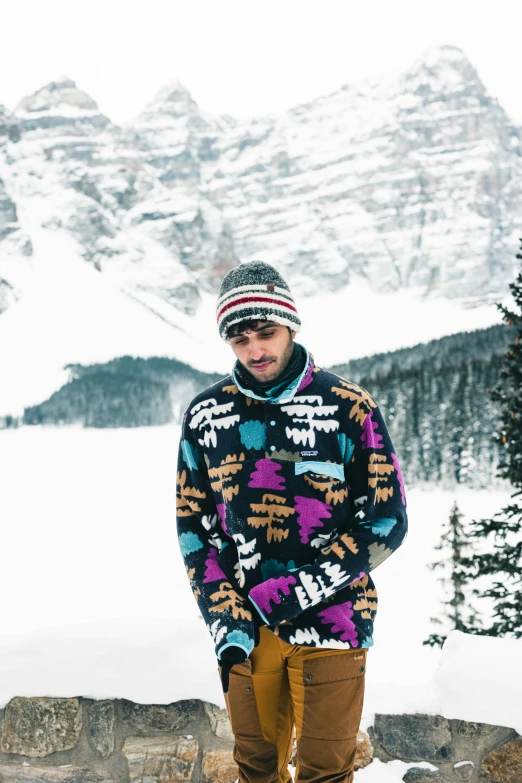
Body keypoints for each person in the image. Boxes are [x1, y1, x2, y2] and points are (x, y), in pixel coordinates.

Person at [176, 260, 408, 783]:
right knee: (256, 770)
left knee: (324, 773)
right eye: (240, 339)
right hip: (246, 631)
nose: (256, 350)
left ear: (291, 326)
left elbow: (387, 521)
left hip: (334, 623)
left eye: (266, 332)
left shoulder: (347, 407)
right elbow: (194, 528)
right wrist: (225, 619)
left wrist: (295, 592)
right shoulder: (206, 416)